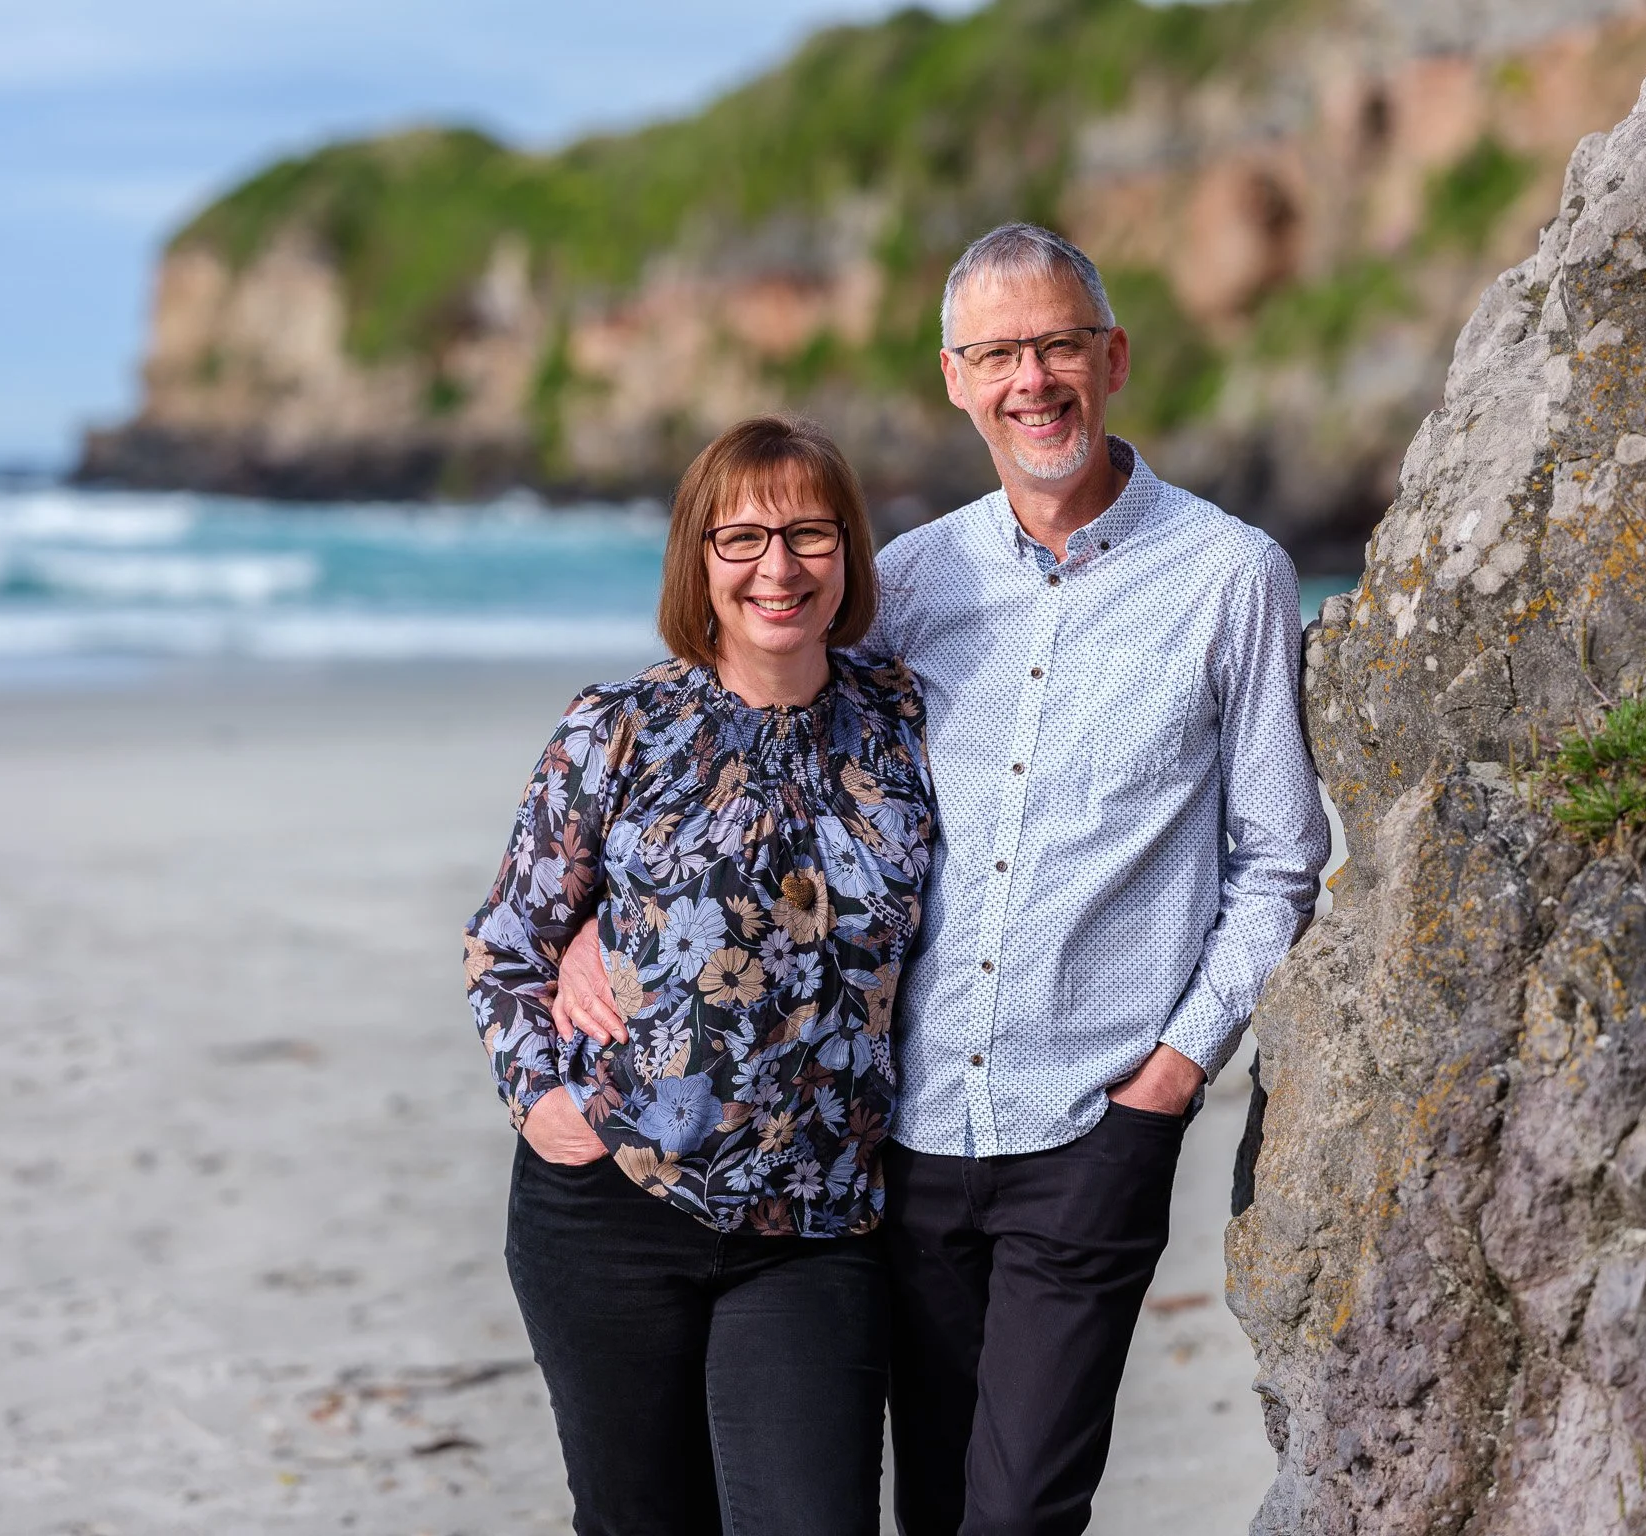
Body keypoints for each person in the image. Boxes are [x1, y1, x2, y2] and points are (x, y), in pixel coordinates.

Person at [552, 223, 1328, 1535]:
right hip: (898, 1140)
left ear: (1112, 358)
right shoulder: (909, 582)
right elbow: (754, 713)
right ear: (955, 380)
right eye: (998, 354)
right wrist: (596, 916)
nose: (1033, 380)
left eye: (1058, 346)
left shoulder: (1229, 577)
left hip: (1090, 1127)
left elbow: (1277, 864)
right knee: (927, 1508)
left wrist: (1170, 1077)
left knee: (1018, 1514)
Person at [465, 415, 936, 1536]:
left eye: (809, 534)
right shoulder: (617, 730)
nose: (779, 568)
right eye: (742, 539)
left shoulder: (905, 722)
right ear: (698, 558)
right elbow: (508, 942)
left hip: (817, 1222)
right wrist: (541, 1103)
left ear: (847, 551)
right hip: (612, 1210)